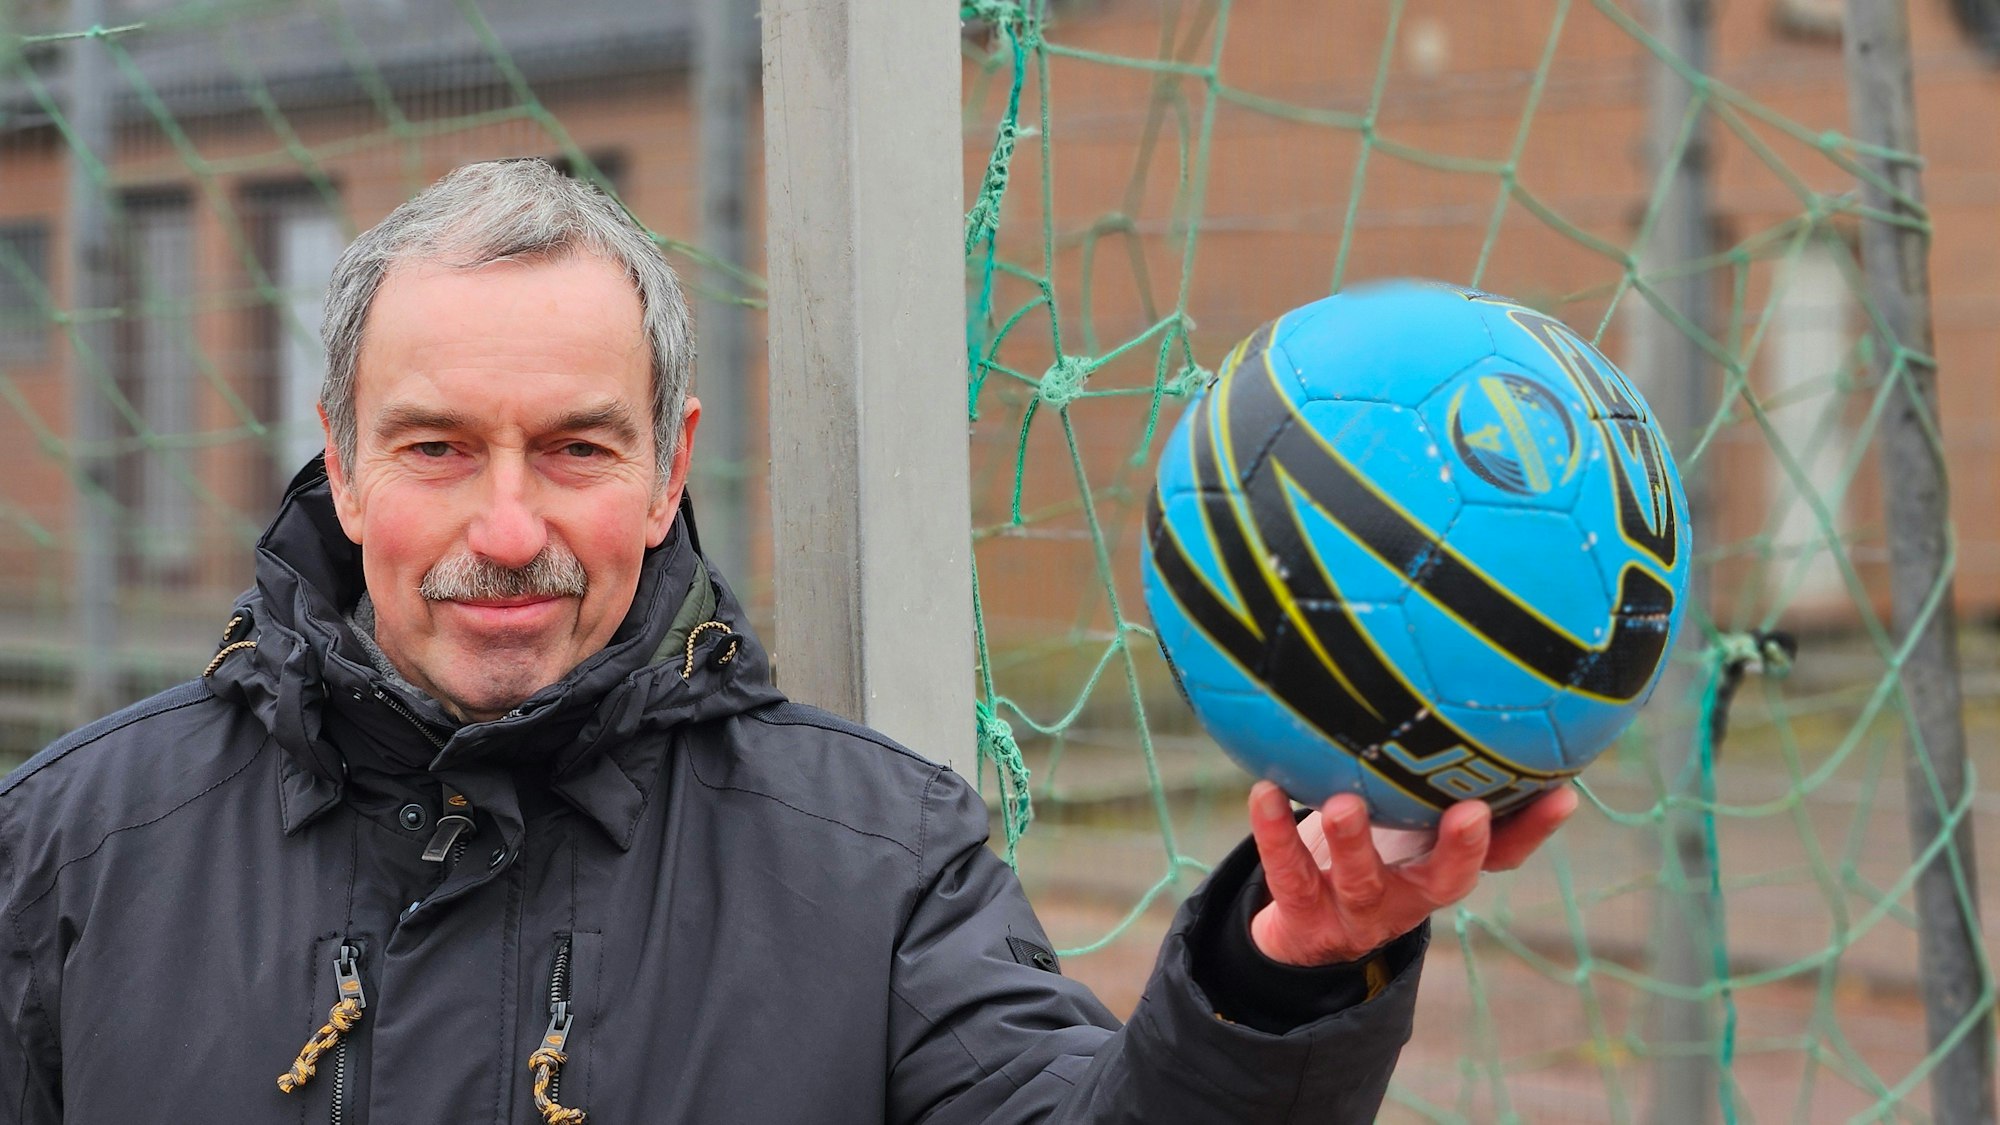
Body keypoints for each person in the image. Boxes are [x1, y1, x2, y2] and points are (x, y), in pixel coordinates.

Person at [0, 160, 1574, 1123]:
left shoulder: (879, 866)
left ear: (672, 462)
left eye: (575, 448)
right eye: (432, 449)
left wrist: (1283, 978)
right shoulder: (77, 849)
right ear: (338, 464)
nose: (504, 524)